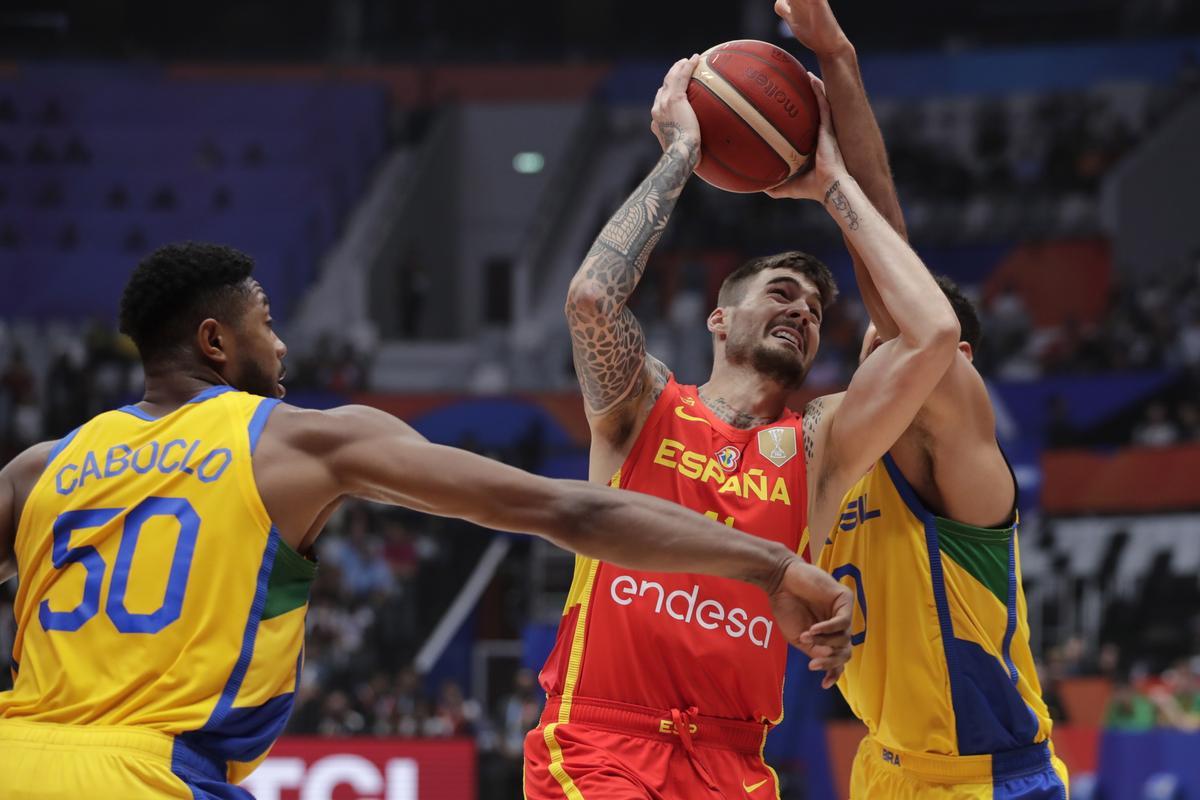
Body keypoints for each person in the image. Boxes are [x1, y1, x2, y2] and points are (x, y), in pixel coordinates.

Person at [0, 242, 854, 799]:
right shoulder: (300, 440)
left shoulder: (39, 469)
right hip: (149, 773)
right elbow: (564, 506)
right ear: (218, 345)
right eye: (269, 329)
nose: (286, 350)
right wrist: (772, 566)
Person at [525, 46, 961, 799]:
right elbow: (594, 300)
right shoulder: (645, 406)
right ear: (718, 320)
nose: (802, 310)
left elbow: (933, 337)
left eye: (816, 310)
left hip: (735, 761)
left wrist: (832, 188)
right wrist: (682, 155)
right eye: (783, 292)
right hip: (603, 742)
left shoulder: (819, 443)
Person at [777, 0, 1070, 796]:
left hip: (986, 777)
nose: (875, 362)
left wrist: (838, 67)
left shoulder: (962, 459)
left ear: (957, 363)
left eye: (895, 345)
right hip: (885, 767)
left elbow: (900, 291)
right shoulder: (833, 445)